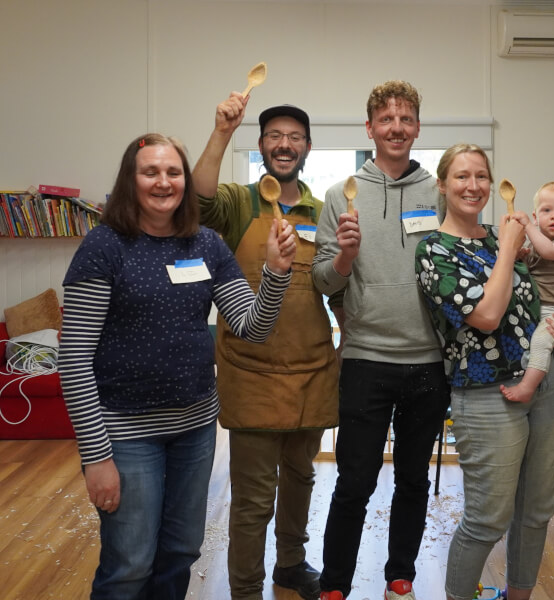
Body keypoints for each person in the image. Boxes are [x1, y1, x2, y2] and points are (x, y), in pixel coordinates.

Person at [58, 133, 296, 600]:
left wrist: (276, 273)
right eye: (151, 172)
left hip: (194, 428)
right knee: (129, 564)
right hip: (126, 432)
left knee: (180, 552)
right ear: (131, 179)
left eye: (173, 172)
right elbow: (73, 361)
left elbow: (252, 326)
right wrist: (96, 457)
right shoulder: (104, 246)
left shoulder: (205, 244)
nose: (163, 182)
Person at [414, 144, 554, 600]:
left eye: (482, 176)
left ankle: (518, 596)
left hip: (544, 383)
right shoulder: (434, 250)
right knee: (487, 519)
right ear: (443, 185)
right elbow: (486, 315)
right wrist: (507, 248)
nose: (474, 186)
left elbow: (530, 308)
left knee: (538, 509)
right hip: (486, 392)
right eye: (462, 177)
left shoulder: (497, 235)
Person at [192, 92, 340, 600]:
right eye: (275, 136)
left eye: (294, 137)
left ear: (308, 147)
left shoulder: (321, 211)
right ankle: (246, 589)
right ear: (261, 146)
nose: (285, 144)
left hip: (313, 368)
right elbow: (199, 200)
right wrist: (221, 132)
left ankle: (292, 564)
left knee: (301, 479)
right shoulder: (238, 201)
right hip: (251, 370)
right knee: (254, 497)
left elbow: (336, 282)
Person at [311, 80, 451, 600]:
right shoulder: (340, 195)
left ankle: (401, 575)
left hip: (428, 364)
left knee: (414, 481)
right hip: (366, 360)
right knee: (354, 483)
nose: (397, 128)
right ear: (369, 128)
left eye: (406, 119)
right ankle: (334, 585)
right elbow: (323, 281)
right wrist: (344, 257)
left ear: (418, 127)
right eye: (386, 119)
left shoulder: (439, 193)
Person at [501, 181, 554, 403]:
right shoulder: (535, 244)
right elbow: (528, 265)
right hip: (537, 309)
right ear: (537, 215)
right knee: (530, 343)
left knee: (541, 343)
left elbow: (548, 251)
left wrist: (527, 227)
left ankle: (528, 386)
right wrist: (520, 254)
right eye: (547, 210)